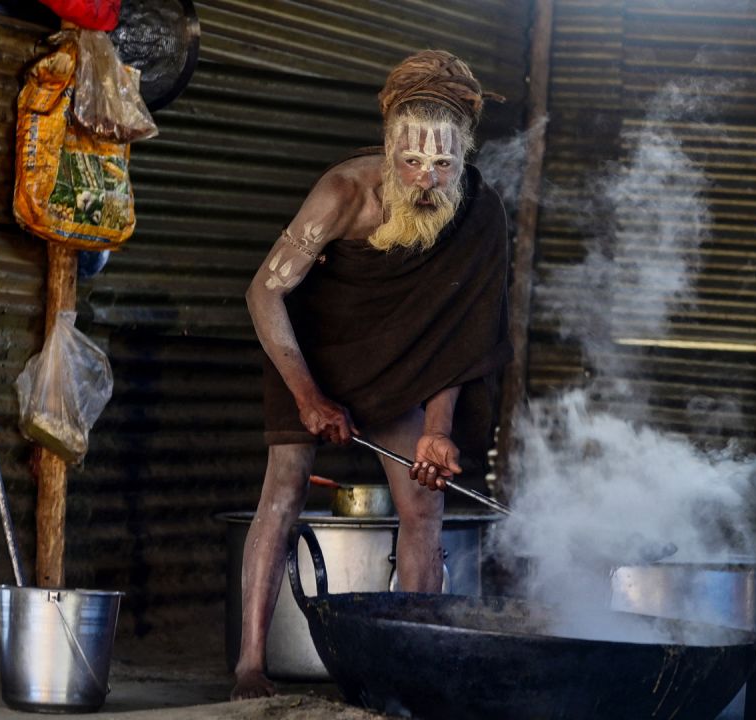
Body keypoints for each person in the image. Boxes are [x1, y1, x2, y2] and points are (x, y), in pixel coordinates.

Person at [231, 50, 511, 700]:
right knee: (284, 490)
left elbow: (461, 342)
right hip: (313, 353)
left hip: (407, 366)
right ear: (387, 148)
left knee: (424, 502)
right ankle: (250, 662)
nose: (425, 179)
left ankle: (413, 666)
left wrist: (438, 432)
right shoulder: (344, 193)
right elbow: (263, 294)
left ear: (464, 153)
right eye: (410, 161)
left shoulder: (481, 216)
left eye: (444, 163)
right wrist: (308, 396)